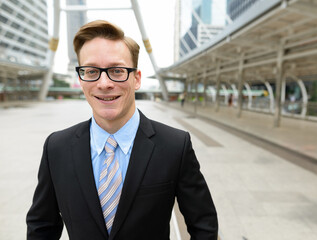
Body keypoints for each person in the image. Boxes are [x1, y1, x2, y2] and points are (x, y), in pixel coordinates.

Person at [26, 20, 218, 240]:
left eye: (117, 71)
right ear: (80, 78)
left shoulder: (175, 146)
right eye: (91, 71)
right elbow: (42, 226)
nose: (104, 83)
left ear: (136, 79)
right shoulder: (56, 148)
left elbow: (204, 225)